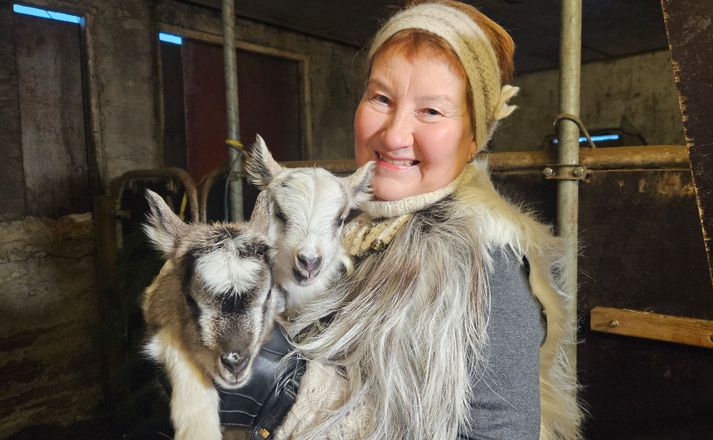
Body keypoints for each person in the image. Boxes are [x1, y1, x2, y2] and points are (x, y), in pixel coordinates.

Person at [219, 1, 582, 439]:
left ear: (473, 138)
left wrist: (292, 398)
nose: (392, 135)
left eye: (432, 111)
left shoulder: (485, 270)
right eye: (382, 98)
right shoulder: (343, 226)